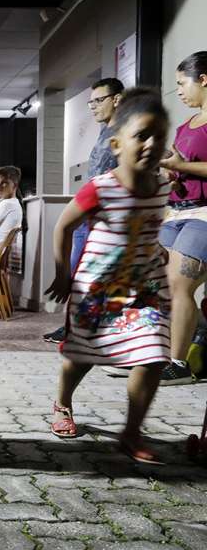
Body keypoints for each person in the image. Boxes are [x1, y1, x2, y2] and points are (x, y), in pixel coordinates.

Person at [45, 88, 171, 464]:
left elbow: (149, 224)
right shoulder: (100, 187)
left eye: (159, 137)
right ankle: (63, 403)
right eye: (141, 135)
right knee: (83, 355)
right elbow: (63, 227)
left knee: (152, 356)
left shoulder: (163, 185)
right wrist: (63, 274)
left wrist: (156, 248)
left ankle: (131, 432)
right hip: (98, 289)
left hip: (146, 287)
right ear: (116, 144)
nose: (151, 144)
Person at [44, 78, 124, 345]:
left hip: (106, 217)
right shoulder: (105, 131)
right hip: (87, 214)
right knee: (79, 274)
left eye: (98, 100)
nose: (92, 107)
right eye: (91, 102)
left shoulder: (127, 132)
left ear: (117, 99)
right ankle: (73, 327)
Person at [157, 52, 207, 385]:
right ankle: (164, 354)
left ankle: (178, 364)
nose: (178, 91)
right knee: (155, 284)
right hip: (175, 211)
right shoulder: (185, 126)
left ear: (203, 79)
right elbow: (176, 168)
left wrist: (180, 167)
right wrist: (170, 174)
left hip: (203, 214)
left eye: (181, 83)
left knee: (180, 285)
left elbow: (185, 166)